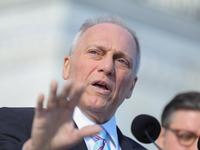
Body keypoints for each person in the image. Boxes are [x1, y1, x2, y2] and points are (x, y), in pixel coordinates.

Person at [0, 14, 146, 150]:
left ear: (131, 86)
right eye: (95, 52)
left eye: (122, 61)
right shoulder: (15, 122)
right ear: (67, 67)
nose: (107, 67)